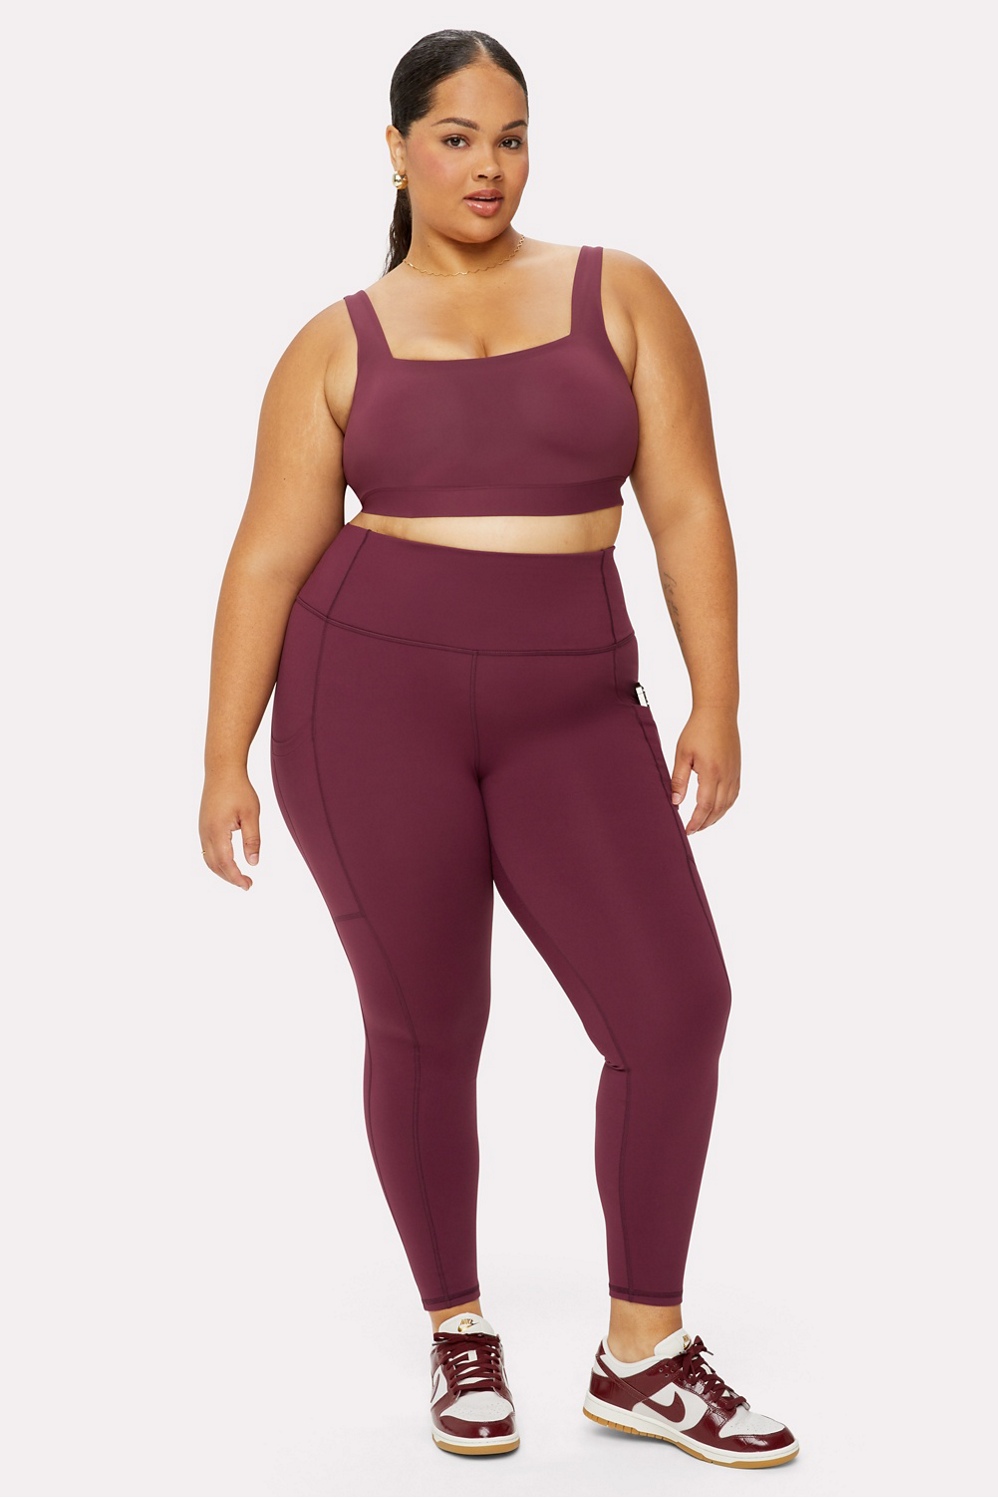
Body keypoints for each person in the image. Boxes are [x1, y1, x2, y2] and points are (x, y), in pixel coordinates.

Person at [198, 27, 799, 1470]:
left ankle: (642, 1351)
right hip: (365, 698)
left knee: (674, 1008)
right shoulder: (335, 341)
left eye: (511, 136)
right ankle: (456, 1325)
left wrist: (716, 698)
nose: (488, 166)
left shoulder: (619, 293)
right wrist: (222, 757)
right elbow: (267, 554)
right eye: (457, 137)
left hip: (572, 702)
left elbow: (689, 506)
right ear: (396, 149)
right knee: (428, 1025)